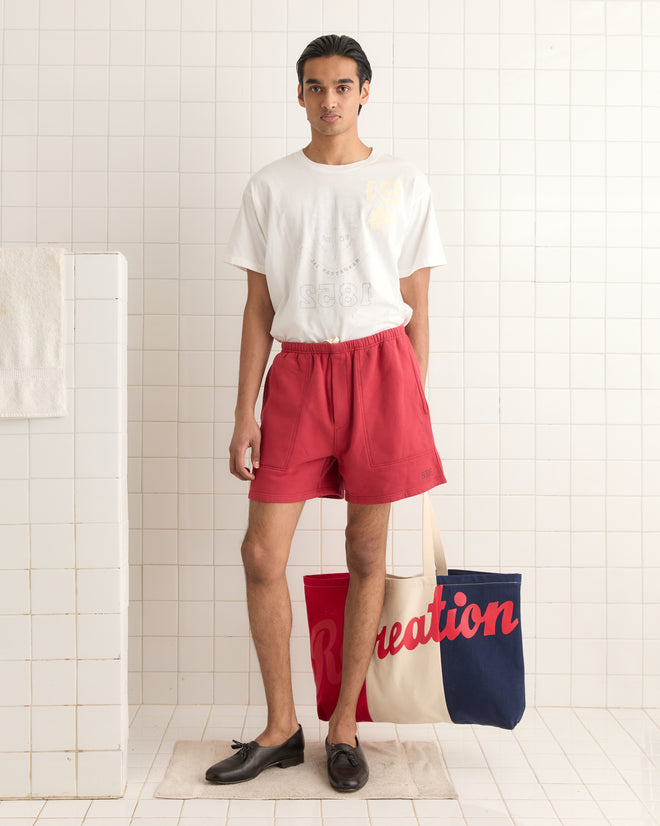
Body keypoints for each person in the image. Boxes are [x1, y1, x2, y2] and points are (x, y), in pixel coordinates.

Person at [205, 34, 447, 793]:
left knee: (367, 553)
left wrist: (411, 399)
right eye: (316, 87)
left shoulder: (403, 181)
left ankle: (343, 726)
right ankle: (282, 727)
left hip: (382, 373)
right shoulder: (271, 186)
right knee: (260, 553)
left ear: (365, 92)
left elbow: (418, 306)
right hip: (299, 375)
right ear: (300, 96)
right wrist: (244, 410)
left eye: (344, 85)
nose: (331, 99)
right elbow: (257, 308)